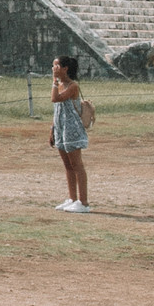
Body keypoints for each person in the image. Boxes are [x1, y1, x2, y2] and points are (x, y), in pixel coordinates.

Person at [48, 55, 90, 213]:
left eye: (57, 66)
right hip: (60, 127)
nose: (54, 69)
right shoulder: (59, 84)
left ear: (65, 69)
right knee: (67, 165)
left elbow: (55, 99)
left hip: (71, 128)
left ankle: (84, 202)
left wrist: (54, 81)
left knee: (77, 164)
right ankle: (72, 198)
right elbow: (57, 110)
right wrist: (52, 129)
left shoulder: (72, 86)